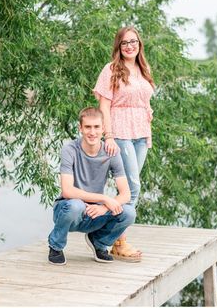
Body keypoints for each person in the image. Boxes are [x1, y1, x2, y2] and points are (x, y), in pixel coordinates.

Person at [93, 26, 155, 261]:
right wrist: (107, 136)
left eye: (134, 41)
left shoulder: (143, 68)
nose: (130, 46)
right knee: (133, 187)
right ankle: (114, 240)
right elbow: (104, 106)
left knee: (128, 189)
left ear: (140, 44)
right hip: (120, 131)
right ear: (119, 46)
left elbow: (144, 101)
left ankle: (110, 234)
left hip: (141, 132)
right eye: (125, 42)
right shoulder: (111, 70)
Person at [48, 107, 136, 265]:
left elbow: (126, 194)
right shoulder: (70, 149)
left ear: (103, 129)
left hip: (95, 212)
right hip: (69, 209)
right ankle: (56, 245)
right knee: (75, 206)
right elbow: (67, 191)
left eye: (96, 127)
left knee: (129, 212)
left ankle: (99, 242)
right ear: (80, 128)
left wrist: (104, 207)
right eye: (88, 127)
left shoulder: (112, 152)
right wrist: (104, 199)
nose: (92, 132)